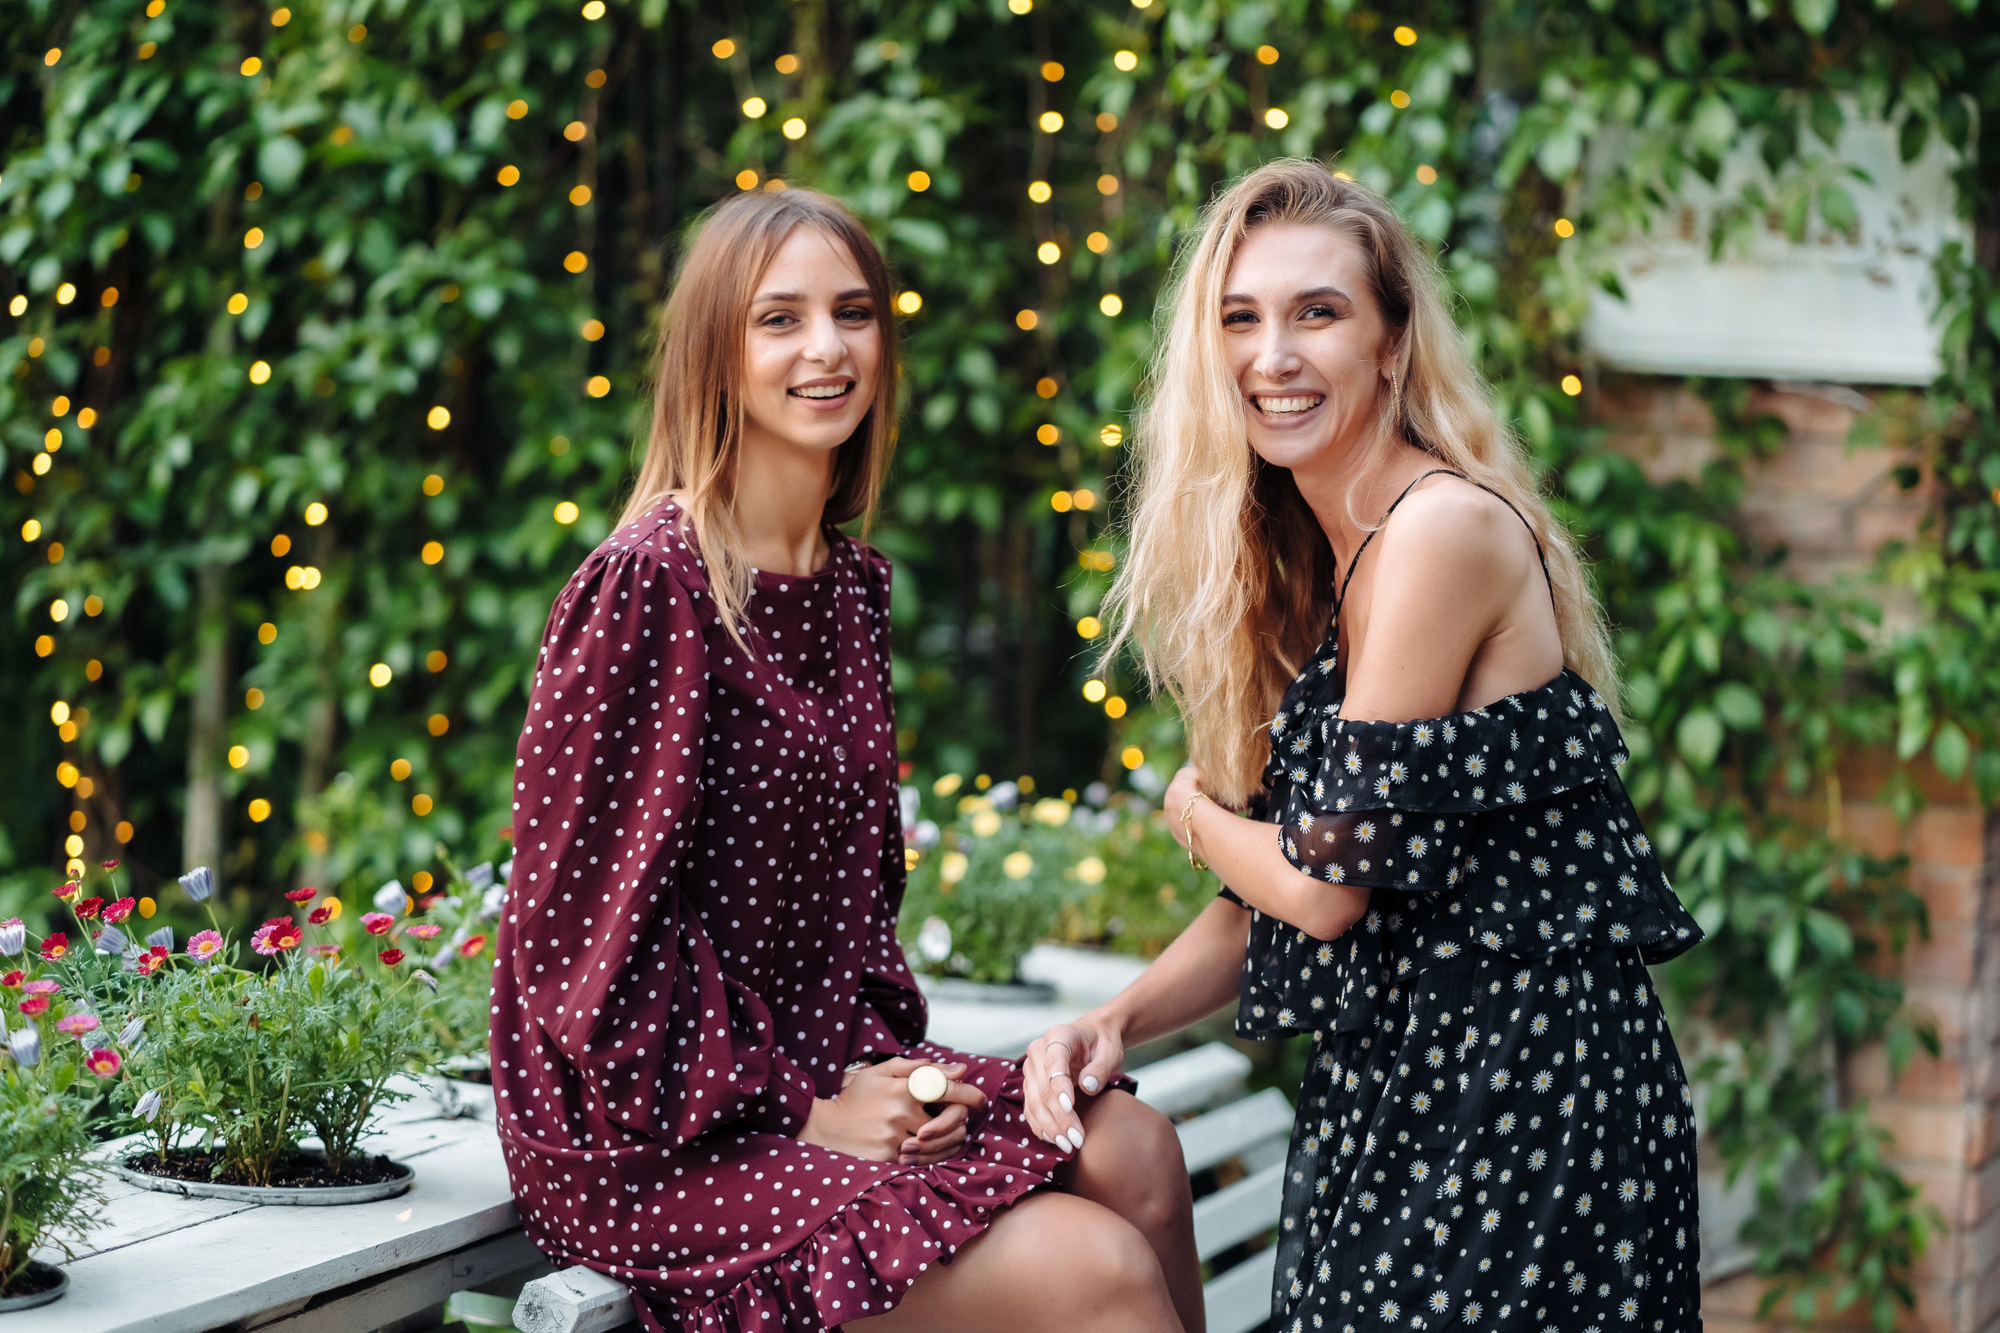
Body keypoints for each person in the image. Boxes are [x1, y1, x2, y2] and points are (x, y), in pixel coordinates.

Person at [491, 186, 1202, 1333]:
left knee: (1136, 1148)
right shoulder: (647, 589)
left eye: (852, 312)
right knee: (1096, 1272)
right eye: (779, 319)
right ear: (714, 355)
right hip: (656, 1136)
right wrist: (805, 1109)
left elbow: (847, 913)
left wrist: (895, 1084)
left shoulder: (849, 590)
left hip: (823, 1079)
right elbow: (584, 953)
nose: (825, 348)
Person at [1021, 160, 1705, 1333]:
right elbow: (1270, 900)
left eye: (1316, 312)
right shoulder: (1312, 560)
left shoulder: (1436, 529)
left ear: (1391, 344)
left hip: (1520, 1089)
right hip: (1401, 1080)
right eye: (1239, 318)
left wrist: (1188, 811)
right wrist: (1115, 1020)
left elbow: (1323, 892)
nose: (1270, 356)